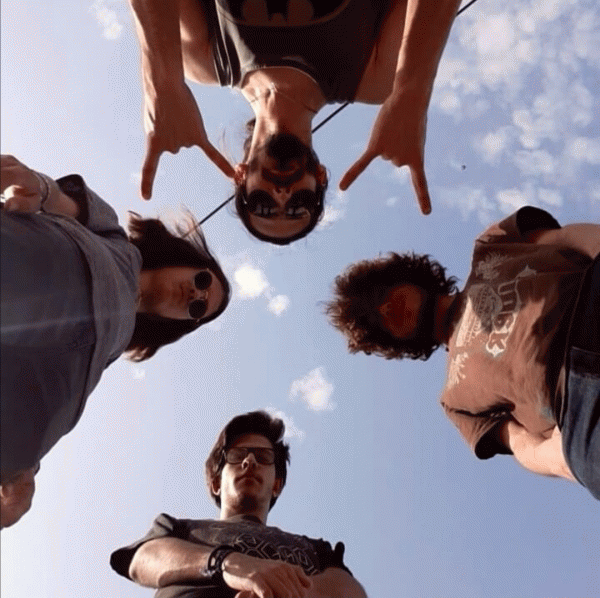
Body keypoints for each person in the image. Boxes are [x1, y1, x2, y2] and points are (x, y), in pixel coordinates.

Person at [0, 155, 231, 526]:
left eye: (198, 310)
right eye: (202, 280)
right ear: (184, 259)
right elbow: (63, 199)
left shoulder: (109, 352)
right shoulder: (116, 241)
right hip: (39, 266)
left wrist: (24, 470)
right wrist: (39, 187)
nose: (195, 295)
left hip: (47, 387)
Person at [128, 0, 462, 243]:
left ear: (240, 176)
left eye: (263, 206)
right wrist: (412, 91)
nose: (282, 195)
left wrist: (162, 81)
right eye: (299, 206)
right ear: (320, 177)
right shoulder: (374, 78)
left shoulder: (204, 60)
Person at [326, 206, 600, 499]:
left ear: (399, 276)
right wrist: (566, 460)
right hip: (578, 404)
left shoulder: (489, 245)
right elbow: (521, 444)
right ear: (388, 340)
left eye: (380, 294)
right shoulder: (454, 402)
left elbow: (568, 238)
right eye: (375, 319)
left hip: (588, 304)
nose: (385, 308)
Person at [110, 410, 366, 597]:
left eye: (263, 457)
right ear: (216, 483)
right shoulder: (179, 528)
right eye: (237, 455)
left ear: (276, 485)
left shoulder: (316, 548)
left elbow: (350, 591)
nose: (250, 461)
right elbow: (141, 561)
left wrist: (284, 591)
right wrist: (229, 563)